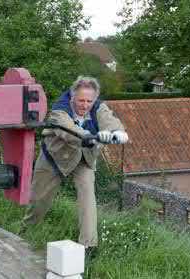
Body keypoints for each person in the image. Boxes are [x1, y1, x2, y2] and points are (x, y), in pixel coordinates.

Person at [23, 76, 128, 255]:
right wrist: (87, 135)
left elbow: (111, 122)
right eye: (81, 100)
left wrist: (115, 133)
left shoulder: (98, 107)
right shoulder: (59, 109)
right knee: (39, 201)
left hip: (84, 158)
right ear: (72, 96)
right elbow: (68, 129)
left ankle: (88, 246)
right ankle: (25, 233)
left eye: (89, 101)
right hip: (54, 158)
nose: (85, 104)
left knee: (88, 196)